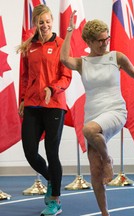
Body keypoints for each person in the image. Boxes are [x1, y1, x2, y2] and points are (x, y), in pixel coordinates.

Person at [60, 10, 134, 216]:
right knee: (95, 174)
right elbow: (63, 59)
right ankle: (105, 213)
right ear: (88, 41)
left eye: (107, 38)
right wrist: (70, 30)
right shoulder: (82, 63)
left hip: (115, 111)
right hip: (93, 114)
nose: (105, 43)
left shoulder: (117, 57)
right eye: (100, 40)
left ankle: (108, 160)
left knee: (88, 130)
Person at [17, 4, 72, 216]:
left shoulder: (60, 45)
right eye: (41, 22)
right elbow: (24, 76)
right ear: (35, 24)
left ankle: (54, 200)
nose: (45, 25)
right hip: (32, 104)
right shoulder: (28, 46)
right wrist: (22, 99)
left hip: (54, 104)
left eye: (48, 21)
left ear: (52, 21)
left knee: (51, 151)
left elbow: (66, 76)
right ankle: (52, 178)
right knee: (30, 152)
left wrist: (52, 88)